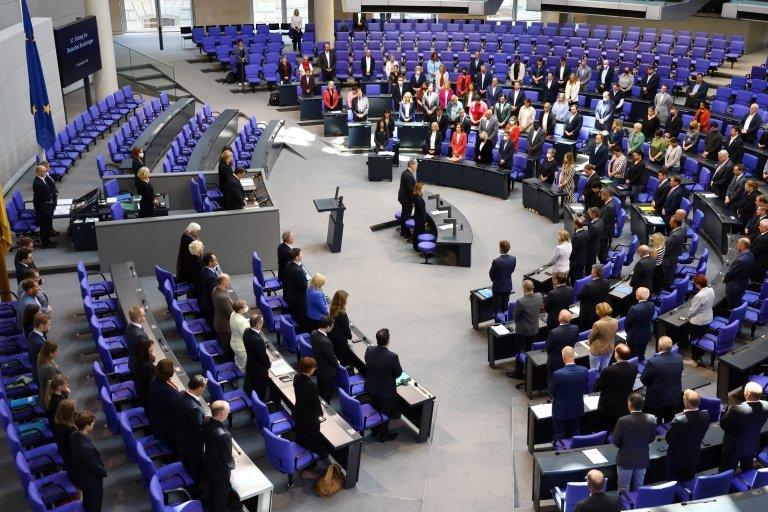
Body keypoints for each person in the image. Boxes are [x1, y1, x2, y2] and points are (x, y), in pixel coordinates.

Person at [612, 393, 657, 493]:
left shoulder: (622, 421)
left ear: (629, 404)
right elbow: (652, 438)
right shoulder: (652, 418)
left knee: (624, 490)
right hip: (642, 458)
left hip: (625, 460)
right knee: (639, 489)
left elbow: (615, 441)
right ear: (642, 404)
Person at [720, 381, 768, 472]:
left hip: (734, 448)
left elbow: (724, 425)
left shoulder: (737, 410)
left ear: (746, 394)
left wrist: (724, 413)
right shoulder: (766, 405)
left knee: (727, 472)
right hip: (752, 444)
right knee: (748, 469)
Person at [364, 329, 402, 442]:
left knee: (374, 408)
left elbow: (367, 362)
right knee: (385, 412)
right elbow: (398, 373)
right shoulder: (392, 357)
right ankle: (384, 434)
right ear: (388, 341)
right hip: (385, 392)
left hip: (371, 388)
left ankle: (375, 430)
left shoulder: (369, 350)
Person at [665, 389, 711, 481]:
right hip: (693, 456)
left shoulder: (679, 420)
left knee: (673, 483)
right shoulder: (706, 416)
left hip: (676, 459)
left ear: (686, 402)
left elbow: (668, 439)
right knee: (689, 481)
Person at [293, 357, 331, 467]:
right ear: (310, 369)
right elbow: (315, 404)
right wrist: (320, 415)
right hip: (309, 418)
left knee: (302, 436)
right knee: (313, 440)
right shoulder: (311, 385)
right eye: (313, 368)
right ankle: (315, 463)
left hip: (299, 412)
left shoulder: (296, 377)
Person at [69, 411, 107, 511]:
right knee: (94, 507)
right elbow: (94, 466)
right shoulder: (85, 447)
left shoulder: (74, 435)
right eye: (92, 423)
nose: (93, 423)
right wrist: (104, 472)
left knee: (88, 502)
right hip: (91, 483)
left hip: (82, 477)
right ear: (86, 426)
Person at [550, 347, 589, 445]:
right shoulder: (584, 370)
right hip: (577, 408)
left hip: (561, 410)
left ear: (563, 357)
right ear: (574, 355)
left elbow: (551, 391)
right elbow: (584, 386)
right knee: (575, 433)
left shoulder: (557, 374)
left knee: (559, 436)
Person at [640, 336, 683, 424]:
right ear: (671, 347)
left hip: (656, 400)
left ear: (659, 347)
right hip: (674, 397)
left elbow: (643, 379)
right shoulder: (679, 358)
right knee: (670, 422)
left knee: (654, 422)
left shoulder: (653, 362)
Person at [595, 344, 637, 430]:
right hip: (625, 403)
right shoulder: (633, 368)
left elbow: (598, 386)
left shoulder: (609, 370)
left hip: (609, 406)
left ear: (617, 354)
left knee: (609, 427)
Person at [202, 400, 235, 511]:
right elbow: (227, 458)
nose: (229, 412)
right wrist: (232, 466)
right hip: (220, 472)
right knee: (220, 499)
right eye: (228, 410)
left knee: (212, 491)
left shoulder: (206, 421)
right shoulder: (223, 435)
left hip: (209, 462)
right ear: (221, 414)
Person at [507, 280, 543, 378]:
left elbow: (515, 317)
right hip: (534, 329)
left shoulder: (521, 302)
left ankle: (518, 372)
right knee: (530, 351)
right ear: (533, 288)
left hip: (522, 331)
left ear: (524, 289)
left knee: (519, 351)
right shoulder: (539, 296)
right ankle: (528, 371)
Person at [175, 374, 207, 483]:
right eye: (204, 387)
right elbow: (199, 430)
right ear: (199, 388)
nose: (204, 389)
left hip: (181, 435)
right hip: (193, 444)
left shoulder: (181, 394)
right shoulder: (195, 409)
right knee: (196, 469)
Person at [148, 359, 179, 449]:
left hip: (157, 416)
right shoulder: (167, 392)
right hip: (167, 425)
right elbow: (176, 408)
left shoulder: (154, 380)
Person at [310, 316, 338, 403]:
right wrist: (337, 361)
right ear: (328, 327)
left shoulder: (313, 333)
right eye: (332, 326)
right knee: (327, 396)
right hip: (327, 373)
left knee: (320, 390)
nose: (332, 328)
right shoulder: (326, 342)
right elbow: (331, 359)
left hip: (318, 367)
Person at [242, 313, 269, 400]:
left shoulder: (246, 331)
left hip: (250, 363)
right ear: (258, 324)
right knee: (260, 388)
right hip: (259, 368)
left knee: (252, 383)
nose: (263, 324)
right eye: (262, 323)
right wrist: (268, 365)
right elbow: (263, 356)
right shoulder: (258, 340)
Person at [545, 309, 579, 379]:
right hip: (569, 358)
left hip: (555, 362)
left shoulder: (554, 332)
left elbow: (548, 348)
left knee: (553, 380)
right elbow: (576, 340)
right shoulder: (575, 328)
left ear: (559, 318)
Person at [625, 287, 655, 361]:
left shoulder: (634, 309)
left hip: (634, 337)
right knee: (642, 353)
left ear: (637, 296)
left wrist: (628, 332)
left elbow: (627, 323)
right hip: (646, 333)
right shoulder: (652, 304)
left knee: (633, 356)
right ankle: (641, 362)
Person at [724, 237, 755, 308]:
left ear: (742, 246)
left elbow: (731, 274)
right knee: (737, 303)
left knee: (733, 307)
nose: (736, 246)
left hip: (734, 289)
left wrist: (724, 279)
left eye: (738, 244)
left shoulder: (740, 261)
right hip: (743, 284)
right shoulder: (751, 255)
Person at [578, 264, 610, 331]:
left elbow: (579, 296)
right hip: (600, 311)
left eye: (592, 270)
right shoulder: (606, 282)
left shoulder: (588, 286)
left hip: (588, 314)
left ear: (595, 273)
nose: (591, 271)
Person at [32, 164, 58, 248]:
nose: (46, 172)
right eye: (44, 171)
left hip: (48, 206)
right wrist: (44, 209)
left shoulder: (44, 179)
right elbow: (38, 199)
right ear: (38, 172)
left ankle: (48, 241)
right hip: (43, 209)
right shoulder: (37, 183)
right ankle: (45, 244)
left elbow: (49, 189)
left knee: (48, 225)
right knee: (44, 227)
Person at [283, 248, 308, 331]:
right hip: (299, 298)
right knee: (300, 316)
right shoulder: (298, 271)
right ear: (297, 257)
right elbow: (304, 286)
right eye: (301, 254)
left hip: (291, 294)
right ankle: (300, 330)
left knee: (295, 312)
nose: (302, 255)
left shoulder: (289, 264)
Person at [489, 240, 516, 314]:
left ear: (500, 249)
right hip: (508, 286)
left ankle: (497, 323)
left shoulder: (496, 262)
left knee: (496, 308)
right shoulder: (513, 259)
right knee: (505, 306)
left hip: (498, 288)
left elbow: (491, 274)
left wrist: (495, 280)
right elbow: (512, 270)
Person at [587, 302, 617, 371]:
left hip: (598, 350)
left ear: (599, 312)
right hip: (610, 348)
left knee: (594, 370)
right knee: (604, 369)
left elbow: (591, 337)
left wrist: (590, 343)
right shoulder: (615, 321)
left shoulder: (597, 324)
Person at [328, 290, 353, 368]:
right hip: (340, 343)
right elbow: (347, 332)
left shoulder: (332, 309)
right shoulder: (342, 314)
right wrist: (350, 336)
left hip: (332, 339)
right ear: (342, 301)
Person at [212, 273, 234, 356]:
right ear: (224, 283)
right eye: (228, 280)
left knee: (222, 342)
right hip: (225, 326)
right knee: (227, 347)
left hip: (218, 322)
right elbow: (231, 314)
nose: (229, 282)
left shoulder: (215, 289)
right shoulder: (223, 298)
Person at [662, 216, 687, 287]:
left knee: (667, 277)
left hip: (669, 260)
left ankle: (667, 290)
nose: (669, 222)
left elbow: (666, 249)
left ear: (675, 224)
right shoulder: (679, 230)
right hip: (674, 255)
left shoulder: (675, 236)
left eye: (671, 222)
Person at [130, 338, 155, 407]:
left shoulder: (135, 357)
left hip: (139, 386)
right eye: (151, 348)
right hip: (146, 395)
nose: (153, 349)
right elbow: (154, 382)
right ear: (146, 350)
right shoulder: (147, 367)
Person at [53, 399, 76, 471]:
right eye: (74, 411)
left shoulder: (57, 421)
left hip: (62, 448)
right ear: (69, 414)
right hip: (70, 456)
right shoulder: (70, 430)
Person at [229, 299, 250, 373]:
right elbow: (247, 336)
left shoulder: (233, 314)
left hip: (234, 342)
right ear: (241, 309)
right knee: (244, 368)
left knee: (238, 361)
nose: (246, 307)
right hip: (241, 347)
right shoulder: (241, 322)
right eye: (244, 307)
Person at [398, 159, 417, 237]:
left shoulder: (406, 172)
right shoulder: (408, 175)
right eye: (416, 166)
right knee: (406, 216)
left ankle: (403, 231)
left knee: (405, 214)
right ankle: (406, 233)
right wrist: (415, 200)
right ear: (412, 165)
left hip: (403, 198)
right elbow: (410, 190)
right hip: (407, 199)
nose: (416, 167)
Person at [199, 252, 219, 324]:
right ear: (210, 263)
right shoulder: (211, 277)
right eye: (215, 260)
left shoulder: (204, 269)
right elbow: (214, 293)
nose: (217, 260)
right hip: (211, 305)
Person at [570, 215, 588, 284]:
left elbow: (573, 250)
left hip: (576, 262)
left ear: (576, 225)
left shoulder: (576, 237)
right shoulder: (586, 232)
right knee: (580, 275)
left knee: (574, 278)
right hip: (583, 258)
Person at [411, 182, 428, 250]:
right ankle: (418, 247)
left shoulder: (415, 196)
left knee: (416, 232)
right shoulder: (419, 200)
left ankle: (415, 246)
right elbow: (422, 212)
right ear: (419, 189)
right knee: (419, 233)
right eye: (423, 188)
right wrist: (425, 221)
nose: (424, 189)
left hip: (416, 217)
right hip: (420, 219)